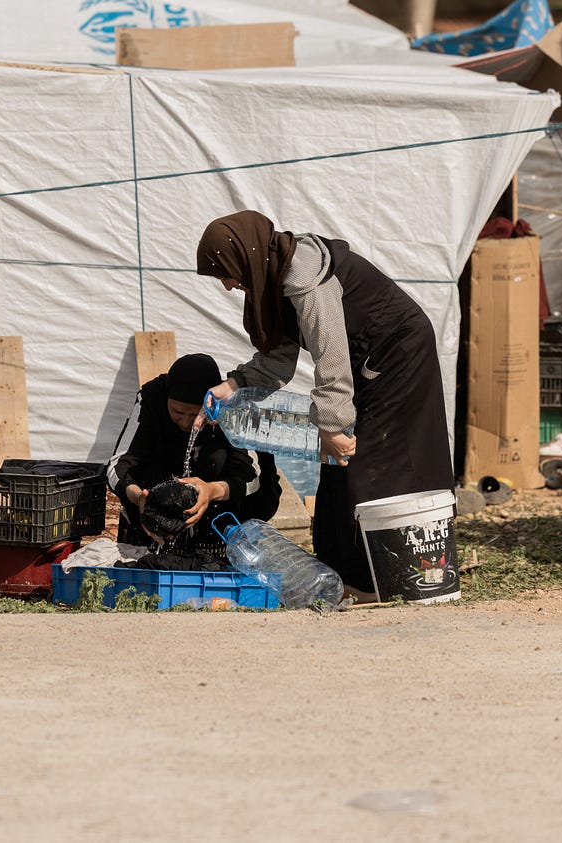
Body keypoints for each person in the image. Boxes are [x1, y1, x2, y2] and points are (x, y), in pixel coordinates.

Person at [195, 210, 454, 599]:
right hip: (368, 360)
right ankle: (343, 576)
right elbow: (280, 357)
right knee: (336, 466)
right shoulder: (274, 274)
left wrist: (332, 426)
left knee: (371, 462)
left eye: (226, 273)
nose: (230, 286)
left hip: (398, 353)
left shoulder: (305, 280)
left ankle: (388, 581)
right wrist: (233, 384)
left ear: (244, 256)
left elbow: (331, 358)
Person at [107, 352, 281, 562]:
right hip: (165, 483)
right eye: (178, 412)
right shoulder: (152, 397)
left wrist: (212, 491)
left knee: (261, 492)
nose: (186, 422)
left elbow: (252, 477)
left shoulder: (234, 404)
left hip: (222, 497)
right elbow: (119, 465)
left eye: (196, 414)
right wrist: (139, 497)